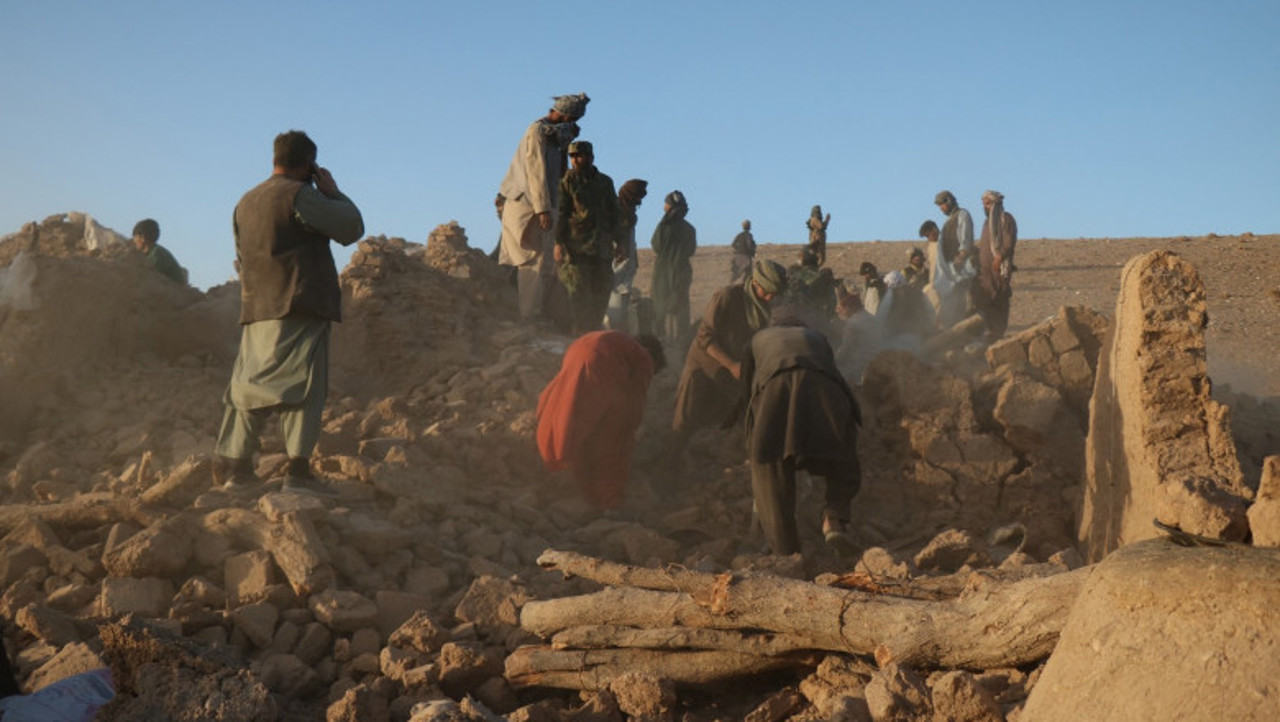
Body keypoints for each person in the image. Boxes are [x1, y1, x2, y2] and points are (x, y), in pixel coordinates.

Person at [213, 130, 364, 496]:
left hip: (257, 308)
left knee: (248, 386)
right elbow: (351, 228)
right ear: (309, 164)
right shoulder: (301, 196)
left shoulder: (245, 202)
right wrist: (333, 192)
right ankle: (297, 472)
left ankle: (237, 468)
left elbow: (241, 255)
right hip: (299, 303)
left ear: (274, 159)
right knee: (305, 386)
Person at [741, 322, 861, 557]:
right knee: (842, 456)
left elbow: (748, 393)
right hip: (825, 389)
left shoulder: (756, 340)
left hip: (776, 390)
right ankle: (833, 518)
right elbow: (834, 372)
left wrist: (752, 442)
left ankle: (785, 550)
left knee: (769, 468)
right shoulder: (816, 336)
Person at [536, 331, 666, 509]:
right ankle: (610, 501)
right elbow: (634, 406)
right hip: (600, 363)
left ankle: (570, 473)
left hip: (577, 351)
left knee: (573, 419)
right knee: (616, 437)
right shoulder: (644, 359)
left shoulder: (618, 342)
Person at [671, 259, 787, 449]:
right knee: (685, 419)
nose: (768, 298)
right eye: (766, 292)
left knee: (745, 411)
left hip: (736, 368)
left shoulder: (765, 308)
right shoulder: (728, 296)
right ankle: (671, 464)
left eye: (773, 295)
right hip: (705, 363)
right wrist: (732, 365)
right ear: (755, 283)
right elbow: (704, 337)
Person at [497, 93, 590, 321]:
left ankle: (529, 312)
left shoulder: (555, 136)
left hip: (542, 204)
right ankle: (528, 316)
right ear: (566, 115)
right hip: (527, 205)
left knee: (543, 262)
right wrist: (543, 209)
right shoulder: (538, 131)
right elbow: (536, 171)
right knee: (531, 260)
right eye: (573, 119)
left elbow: (556, 173)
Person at [554, 141, 620, 335]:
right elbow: (562, 215)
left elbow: (614, 214)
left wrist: (621, 241)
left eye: (579, 156)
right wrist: (558, 243)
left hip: (602, 249)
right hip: (577, 249)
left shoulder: (605, 182)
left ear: (590, 157)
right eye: (572, 157)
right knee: (579, 296)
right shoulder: (567, 182)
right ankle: (580, 336)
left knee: (601, 294)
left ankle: (594, 333)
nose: (575, 160)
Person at [650, 190, 697, 342]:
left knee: (659, 303)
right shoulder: (690, 229)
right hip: (683, 269)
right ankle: (682, 339)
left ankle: (660, 337)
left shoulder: (663, 226)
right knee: (681, 303)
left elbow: (656, 246)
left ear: (669, 206)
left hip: (663, 269)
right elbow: (691, 250)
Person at [972, 189, 1018, 342]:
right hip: (985, 273)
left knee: (999, 301)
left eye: (988, 203)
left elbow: (1008, 242)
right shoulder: (987, 223)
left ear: (995, 204)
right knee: (985, 302)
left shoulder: (1006, 219)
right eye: (984, 204)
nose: (985, 206)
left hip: (999, 271)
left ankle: (998, 337)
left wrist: (999, 257)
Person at [606, 179, 648, 331]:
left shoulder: (628, 213)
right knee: (613, 315)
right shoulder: (616, 212)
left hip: (625, 272)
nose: (639, 203)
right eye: (637, 198)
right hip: (617, 270)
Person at [933, 190, 976, 329]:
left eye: (942, 205)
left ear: (948, 201)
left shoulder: (962, 215)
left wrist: (962, 254)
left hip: (962, 267)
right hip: (950, 269)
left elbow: (965, 237)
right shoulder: (947, 222)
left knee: (962, 302)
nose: (941, 209)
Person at [834, 284, 883, 385]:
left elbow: (846, 351)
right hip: (877, 360)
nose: (838, 311)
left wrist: (833, 360)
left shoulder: (853, 323)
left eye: (842, 308)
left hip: (861, 366)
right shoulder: (869, 317)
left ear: (849, 308)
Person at [131, 218, 188, 285]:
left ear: (143, 238)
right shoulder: (151, 253)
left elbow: (150, 278)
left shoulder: (157, 255)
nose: (134, 241)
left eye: (135, 237)